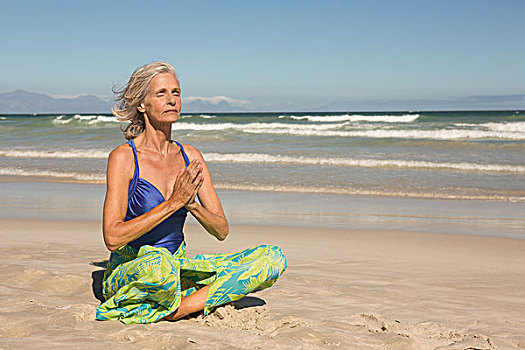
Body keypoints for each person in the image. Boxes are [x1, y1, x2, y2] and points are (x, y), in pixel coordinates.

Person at [95, 62, 287, 324]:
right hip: (136, 268)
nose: (172, 100)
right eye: (161, 93)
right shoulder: (124, 157)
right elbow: (113, 237)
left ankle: (179, 308)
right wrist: (173, 203)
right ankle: (187, 298)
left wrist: (192, 205)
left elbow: (221, 231)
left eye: (176, 92)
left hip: (177, 267)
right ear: (142, 104)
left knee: (271, 258)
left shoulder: (191, 157)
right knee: (158, 267)